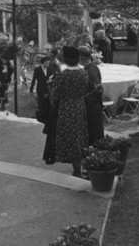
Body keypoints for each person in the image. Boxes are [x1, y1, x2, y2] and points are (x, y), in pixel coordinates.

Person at [47, 46, 89, 178]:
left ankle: (76, 170)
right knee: (79, 137)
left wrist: (53, 107)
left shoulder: (63, 75)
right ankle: (79, 167)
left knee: (70, 138)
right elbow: (85, 91)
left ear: (65, 59)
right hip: (79, 106)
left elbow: (54, 96)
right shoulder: (84, 73)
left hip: (66, 109)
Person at [78, 46, 104, 145]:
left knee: (93, 137)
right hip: (92, 108)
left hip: (92, 110)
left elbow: (99, 88)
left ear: (81, 57)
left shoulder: (90, 71)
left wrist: (85, 97)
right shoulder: (91, 67)